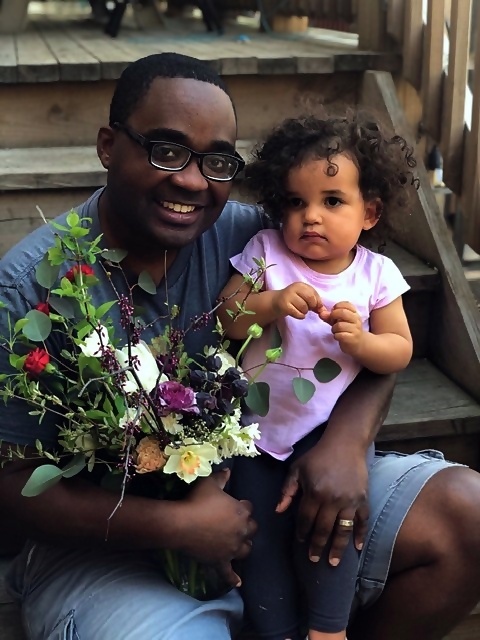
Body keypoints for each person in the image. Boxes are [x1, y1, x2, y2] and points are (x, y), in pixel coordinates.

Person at [0, 52, 479, 640]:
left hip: (281, 479)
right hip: (102, 544)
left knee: (469, 516)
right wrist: (178, 527)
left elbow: (374, 336)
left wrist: (346, 445)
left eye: (218, 160)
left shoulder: (260, 235)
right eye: (166, 149)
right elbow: (12, 487)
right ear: (107, 145)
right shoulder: (34, 288)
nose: (193, 180)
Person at [219, 113, 414, 640]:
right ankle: (275, 629)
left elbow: (399, 351)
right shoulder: (265, 251)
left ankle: (329, 630)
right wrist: (272, 302)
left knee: (332, 537)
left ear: (369, 212)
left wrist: (362, 342)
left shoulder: (375, 275)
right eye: (295, 202)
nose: (310, 217)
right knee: (257, 541)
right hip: (258, 437)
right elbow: (227, 314)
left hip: (331, 435)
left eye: (332, 201)